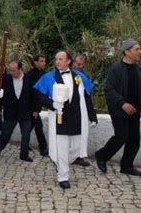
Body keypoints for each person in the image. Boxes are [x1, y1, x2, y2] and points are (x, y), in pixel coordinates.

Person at [34, 51, 97, 189]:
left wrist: (92, 115)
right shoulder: (48, 77)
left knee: (76, 147)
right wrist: (52, 104)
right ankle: (63, 175)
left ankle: (61, 163)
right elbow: (39, 96)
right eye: (56, 59)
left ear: (69, 61)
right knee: (61, 148)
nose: (57, 62)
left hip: (76, 116)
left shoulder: (79, 77)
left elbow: (86, 96)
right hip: (59, 118)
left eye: (60, 59)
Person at [95, 39, 141, 176]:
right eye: (137, 49)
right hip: (119, 110)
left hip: (135, 110)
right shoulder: (116, 68)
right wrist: (122, 103)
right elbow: (109, 90)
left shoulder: (138, 69)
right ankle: (102, 156)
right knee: (121, 136)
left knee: (134, 140)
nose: (140, 52)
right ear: (127, 52)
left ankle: (126, 166)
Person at [0, 61, 33, 162]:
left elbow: (34, 95)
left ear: (20, 69)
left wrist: (36, 110)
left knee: (26, 133)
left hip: (25, 111)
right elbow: (0, 96)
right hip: (10, 111)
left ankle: (24, 154)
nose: (11, 72)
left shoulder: (29, 78)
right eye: (10, 70)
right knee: (6, 133)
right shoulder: (5, 79)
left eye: (14, 70)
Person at [71, 53, 92, 167]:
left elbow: (87, 95)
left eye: (82, 64)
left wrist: (91, 113)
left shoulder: (82, 76)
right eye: (78, 64)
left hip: (82, 108)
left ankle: (78, 155)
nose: (80, 66)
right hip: (72, 109)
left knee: (81, 133)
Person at [26, 54, 48, 156]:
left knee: (31, 126)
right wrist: (34, 109)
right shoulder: (30, 75)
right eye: (41, 61)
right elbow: (32, 93)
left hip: (37, 105)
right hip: (31, 105)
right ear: (35, 62)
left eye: (44, 61)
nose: (43, 63)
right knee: (37, 126)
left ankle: (25, 144)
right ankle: (43, 148)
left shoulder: (43, 74)